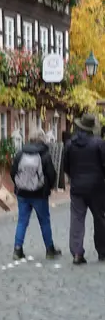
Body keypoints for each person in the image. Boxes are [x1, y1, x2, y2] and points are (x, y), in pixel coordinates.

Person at [11, 128, 61, 261]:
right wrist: (48, 187)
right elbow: (51, 174)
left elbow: (13, 172)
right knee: (44, 221)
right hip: (40, 193)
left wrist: (20, 184)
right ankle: (50, 250)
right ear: (42, 138)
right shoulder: (45, 154)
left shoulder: (20, 153)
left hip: (22, 193)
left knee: (22, 221)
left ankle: (17, 249)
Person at [63, 113, 105, 265]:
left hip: (77, 187)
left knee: (77, 219)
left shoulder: (70, 144)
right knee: (100, 219)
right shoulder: (99, 143)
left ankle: (77, 253)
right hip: (97, 187)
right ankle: (102, 251)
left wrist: (74, 176)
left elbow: (66, 166)